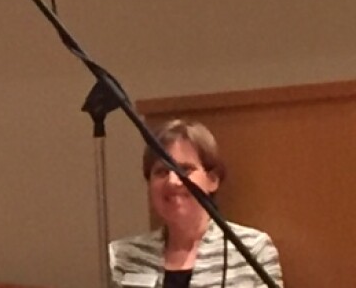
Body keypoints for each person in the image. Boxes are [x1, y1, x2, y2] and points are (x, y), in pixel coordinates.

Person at [109, 119, 284, 288]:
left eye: (184, 169)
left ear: (213, 180)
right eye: (161, 172)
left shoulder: (253, 249)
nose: (173, 181)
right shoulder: (125, 256)